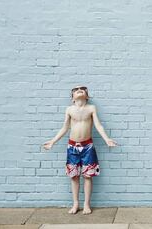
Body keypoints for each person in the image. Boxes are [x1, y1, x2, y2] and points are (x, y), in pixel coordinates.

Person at [42, 85, 118, 215]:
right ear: (72, 98)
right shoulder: (69, 109)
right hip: (72, 147)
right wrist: (53, 141)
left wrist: (106, 139)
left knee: (88, 176)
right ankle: (76, 203)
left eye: (82, 89)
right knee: (74, 176)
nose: (79, 89)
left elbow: (98, 125)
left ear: (87, 96)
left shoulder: (91, 108)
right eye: (76, 89)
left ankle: (86, 204)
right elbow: (64, 128)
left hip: (88, 146)